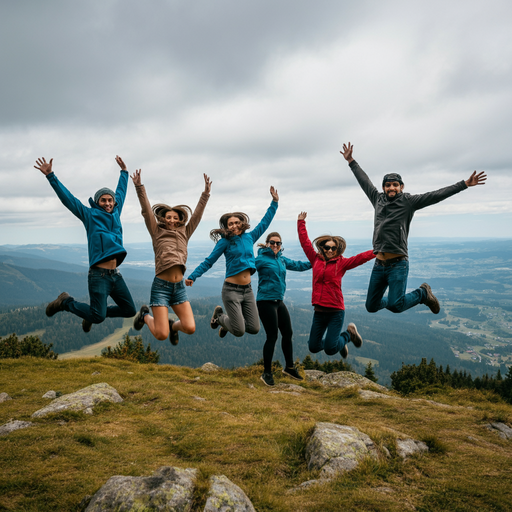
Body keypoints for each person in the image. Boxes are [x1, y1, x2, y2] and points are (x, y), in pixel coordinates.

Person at [341, 142, 487, 315]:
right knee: (371, 306)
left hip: (398, 264)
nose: (391, 188)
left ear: (401, 187)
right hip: (379, 264)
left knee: (396, 306)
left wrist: (464, 184)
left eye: (395, 185)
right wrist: (351, 161)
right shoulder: (377, 199)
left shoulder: (408, 202)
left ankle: (423, 293)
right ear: (383, 188)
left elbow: (435, 195)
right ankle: (397, 298)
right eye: (388, 185)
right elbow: (364, 181)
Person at [35, 156, 137, 331]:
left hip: (116, 275)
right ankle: (65, 302)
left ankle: (90, 312)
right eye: (103, 200)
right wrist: (51, 175)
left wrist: (124, 172)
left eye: (110, 200)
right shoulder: (89, 215)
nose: (107, 203)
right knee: (98, 317)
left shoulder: (116, 213)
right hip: (99, 275)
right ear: (97, 202)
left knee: (129, 310)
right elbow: (69, 200)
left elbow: (121, 192)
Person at [130, 169, 211, 345]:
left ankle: (173, 326)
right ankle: (144, 316)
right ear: (163, 219)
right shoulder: (156, 231)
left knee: (190, 328)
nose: (172, 220)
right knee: (160, 335)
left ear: (180, 219)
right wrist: (139, 187)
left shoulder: (185, 232)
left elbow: (196, 217)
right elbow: (146, 211)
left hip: (179, 288)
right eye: (169, 217)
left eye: (175, 218)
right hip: (161, 287)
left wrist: (205, 194)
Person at [185, 187, 279, 338]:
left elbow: (265, 222)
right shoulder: (225, 242)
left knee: (254, 328)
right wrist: (193, 276)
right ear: (226, 227)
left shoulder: (250, 237)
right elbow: (209, 261)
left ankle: (227, 325)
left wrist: (274, 202)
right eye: (230, 224)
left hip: (248, 290)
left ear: (242, 223)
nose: (234, 225)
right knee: (239, 331)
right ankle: (219, 317)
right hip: (231, 290)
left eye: (237, 222)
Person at [298, 212, 375, 359]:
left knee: (330, 349)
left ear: (338, 250)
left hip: (335, 311)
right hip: (319, 311)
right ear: (323, 247)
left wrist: (376, 252)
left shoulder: (342, 263)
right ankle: (338, 341)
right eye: (327, 247)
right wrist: (301, 223)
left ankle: (348, 335)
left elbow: (359, 258)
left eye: (333, 248)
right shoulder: (315, 259)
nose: (330, 250)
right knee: (313, 347)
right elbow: (305, 243)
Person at [255, 232, 312, 386]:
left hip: (279, 301)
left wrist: (315, 261)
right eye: (272, 243)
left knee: (288, 333)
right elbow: (247, 266)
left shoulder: (281, 259)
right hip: (265, 301)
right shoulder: (260, 259)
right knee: (272, 336)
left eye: (278, 243)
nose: (275, 245)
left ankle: (289, 367)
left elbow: (299, 265)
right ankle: (266, 372)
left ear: (281, 245)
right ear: (267, 243)